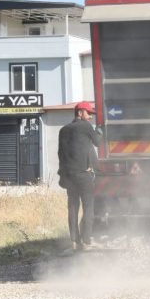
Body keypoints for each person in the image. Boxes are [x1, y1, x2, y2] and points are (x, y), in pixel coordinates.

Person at [58, 101, 103, 251]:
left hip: (69, 176)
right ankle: (86, 242)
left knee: (72, 207)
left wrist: (63, 175)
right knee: (88, 207)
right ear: (79, 113)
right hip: (84, 174)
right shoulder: (85, 126)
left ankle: (74, 242)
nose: (90, 117)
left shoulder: (63, 130)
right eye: (88, 113)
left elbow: (60, 154)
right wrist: (99, 131)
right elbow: (97, 142)